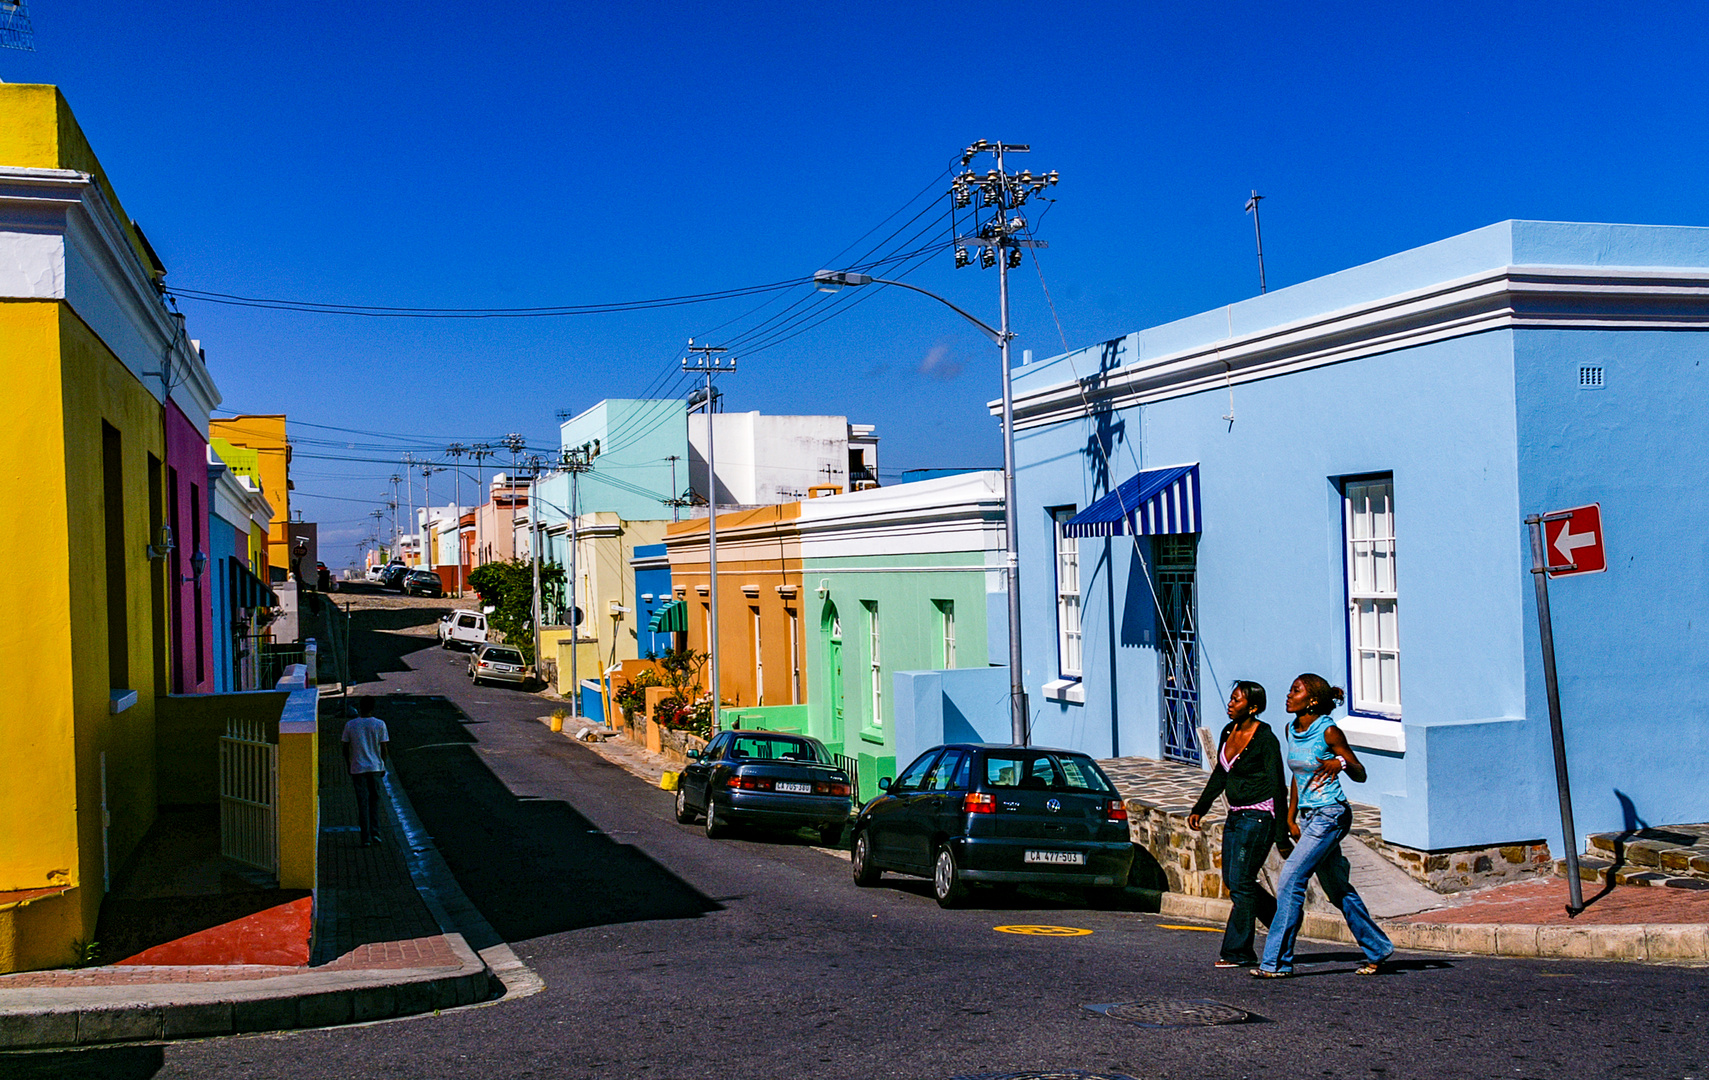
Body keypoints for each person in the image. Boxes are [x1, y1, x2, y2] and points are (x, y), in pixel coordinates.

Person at [1252, 674, 1393, 978]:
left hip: (1332, 813)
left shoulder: (1328, 731)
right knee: (1337, 888)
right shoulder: (1293, 729)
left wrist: (1340, 763)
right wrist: (1290, 817)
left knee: (1291, 878)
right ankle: (1378, 948)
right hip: (1308, 815)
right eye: (1290, 689)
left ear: (1312, 700)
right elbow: (1297, 776)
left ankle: (1276, 962)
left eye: (1296, 691)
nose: (1289, 695)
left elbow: (1360, 772)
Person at [1188, 680, 1290, 968]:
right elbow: (1221, 773)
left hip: (1259, 817)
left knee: (1243, 883)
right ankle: (1281, 921)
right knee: (1234, 882)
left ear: (1253, 707)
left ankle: (1239, 952)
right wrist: (1201, 808)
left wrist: (1281, 836)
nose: (1230, 704)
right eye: (1231, 699)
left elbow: (1277, 785)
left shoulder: (1266, 740)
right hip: (1235, 816)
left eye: (1237, 700)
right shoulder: (1228, 731)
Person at [342, 696, 389, 847]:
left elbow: (344, 747)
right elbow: (384, 748)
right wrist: (383, 765)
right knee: (374, 801)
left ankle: (365, 837)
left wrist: (349, 763)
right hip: (375, 767)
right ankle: (376, 833)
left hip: (357, 768)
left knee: (362, 803)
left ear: (360, 707)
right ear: (373, 707)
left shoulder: (350, 725)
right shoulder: (379, 724)